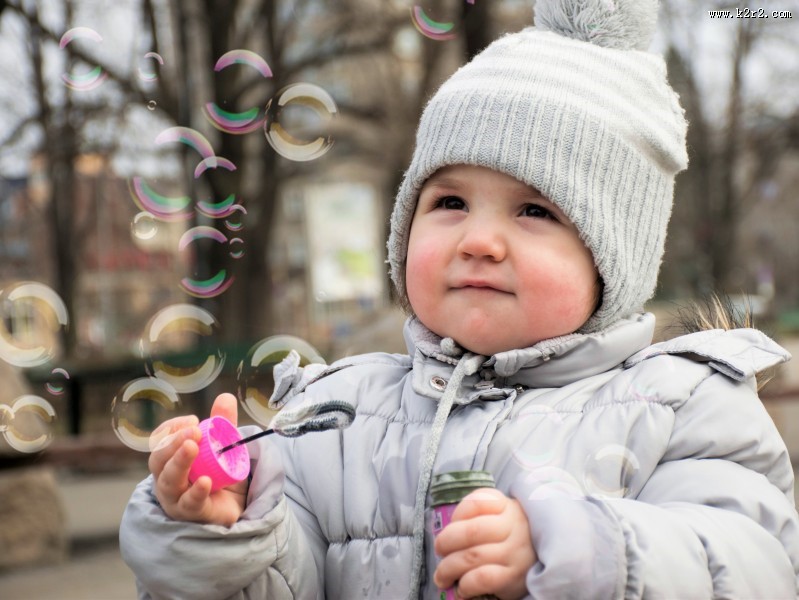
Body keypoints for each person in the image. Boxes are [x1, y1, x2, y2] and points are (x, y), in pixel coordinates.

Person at [120, 0, 799, 598]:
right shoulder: (329, 419)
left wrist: (573, 553)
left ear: (610, 255)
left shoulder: (680, 408)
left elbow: (755, 567)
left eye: (533, 211)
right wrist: (218, 531)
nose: (478, 240)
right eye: (447, 201)